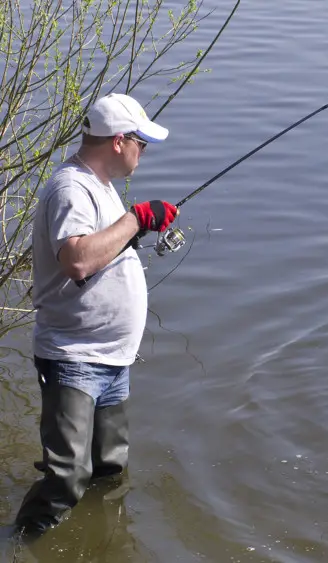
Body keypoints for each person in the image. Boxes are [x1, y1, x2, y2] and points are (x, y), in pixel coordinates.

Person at [14, 93, 178, 536]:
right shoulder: (71, 188)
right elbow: (78, 260)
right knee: (67, 476)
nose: (144, 152)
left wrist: (137, 225)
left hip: (111, 358)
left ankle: (100, 537)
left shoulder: (99, 186)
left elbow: (101, 250)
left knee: (108, 467)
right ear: (120, 141)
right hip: (74, 357)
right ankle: (21, 540)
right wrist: (137, 219)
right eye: (141, 143)